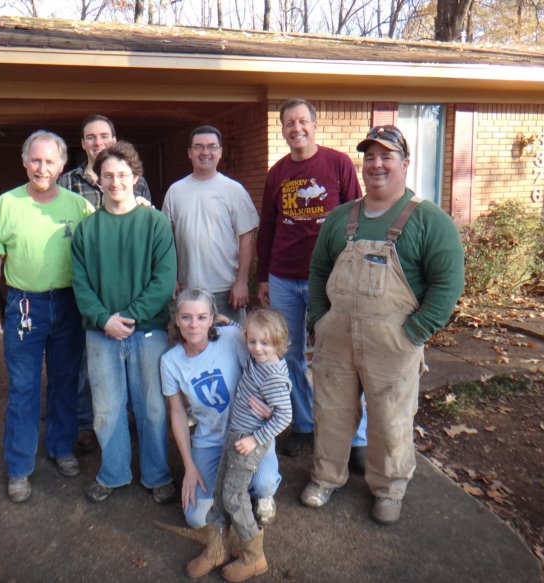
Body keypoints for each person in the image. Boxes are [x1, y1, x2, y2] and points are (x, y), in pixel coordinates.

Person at [300, 125, 465, 525]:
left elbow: (448, 284)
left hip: (394, 341)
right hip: (336, 338)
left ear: (405, 163)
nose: (376, 164)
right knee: (331, 411)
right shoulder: (341, 217)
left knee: (391, 419)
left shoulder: (430, 220)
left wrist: (415, 332)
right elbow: (319, 270)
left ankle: (389, 488)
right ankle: (326, 477)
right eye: (370, 157)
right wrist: (320, 317)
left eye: (386, 156)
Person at [0, 130, 93, 503]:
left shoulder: (79, 207)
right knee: (24, 387)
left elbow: (102, 245)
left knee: (65, 381)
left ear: (62, 165)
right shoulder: (7, 203)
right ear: (25, 162)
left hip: (69, 303)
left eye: (50, 161)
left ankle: (61, 448)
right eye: (36, 160)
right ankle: (19, 468)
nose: (42, 168)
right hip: (25, 306)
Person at [255, 97, 368, 461]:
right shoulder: (277, 173)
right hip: (283, 277)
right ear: (283, 130)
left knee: (341, 355)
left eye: (302, 121)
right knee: (288, 354)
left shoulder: (338, 164)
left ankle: (356, 438)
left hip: (329, 279)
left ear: (315, 125)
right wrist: (262, 276)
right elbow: (267, 228)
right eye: (289, 123)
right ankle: (303, 423)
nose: (297, 128)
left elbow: (358, 219)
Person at [71, 140, 177, 504]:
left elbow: (164, 280)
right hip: (101, 333)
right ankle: (112, 474)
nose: (115, 182)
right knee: (106, 408)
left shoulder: (155, 223)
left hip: (147, 331)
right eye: (108, 175)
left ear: (135, 177)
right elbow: (80, 283)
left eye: (122, 174)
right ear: (98, 180)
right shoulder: (87, 230)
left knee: (152, 407)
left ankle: (157, 474)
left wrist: (127, 317)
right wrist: (104, 320)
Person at [58, 114, 151, 455]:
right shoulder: (67, 182)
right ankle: (87, 422)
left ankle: (126, 419)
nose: (98, 142)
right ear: (82, 143)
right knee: (88, 360)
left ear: (114, 139)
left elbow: (144, 220)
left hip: (126, 284)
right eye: (90, 137)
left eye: (104, 136)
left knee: (128, 361)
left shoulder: (135, 179)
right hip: (87, 285)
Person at [161, 288, 282, 531]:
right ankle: (231, 491)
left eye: (201, 317)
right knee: (196, 518)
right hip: (211, 441)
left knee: (264, 484)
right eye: (186, 317)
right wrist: (189, 467)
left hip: (249, 433)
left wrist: (273, 407)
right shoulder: (170, 361)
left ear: (212, 319)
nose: (194, 324)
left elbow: (270, 358)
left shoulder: (230, 338)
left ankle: (259, 494)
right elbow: (177, 413)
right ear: (177, 320)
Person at [186, 309, 292, 582]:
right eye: (252, 341)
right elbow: (250, 333)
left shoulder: (273, 376)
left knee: (234, 496)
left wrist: (254, 439)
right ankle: (216, 549)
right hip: (236, 436)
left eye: (265, 343)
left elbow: (285, 416)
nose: (257, 348)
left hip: (248, 440)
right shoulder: (258, 360)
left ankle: (254, 557)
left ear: (279, 342)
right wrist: (230, 322)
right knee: (221, 491)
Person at [162, 126, 258, 322]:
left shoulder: (234, 190)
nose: (205, 152)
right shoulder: (175, 191)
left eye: (211, 147)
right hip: (186, 290)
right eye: (198, 147)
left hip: (226, 291)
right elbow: (165, 240)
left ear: (220, 152)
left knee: (230, 340)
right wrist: (171, 278)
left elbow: (247, 238)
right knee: (188, 340)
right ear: (189, 153)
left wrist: (242, 282)